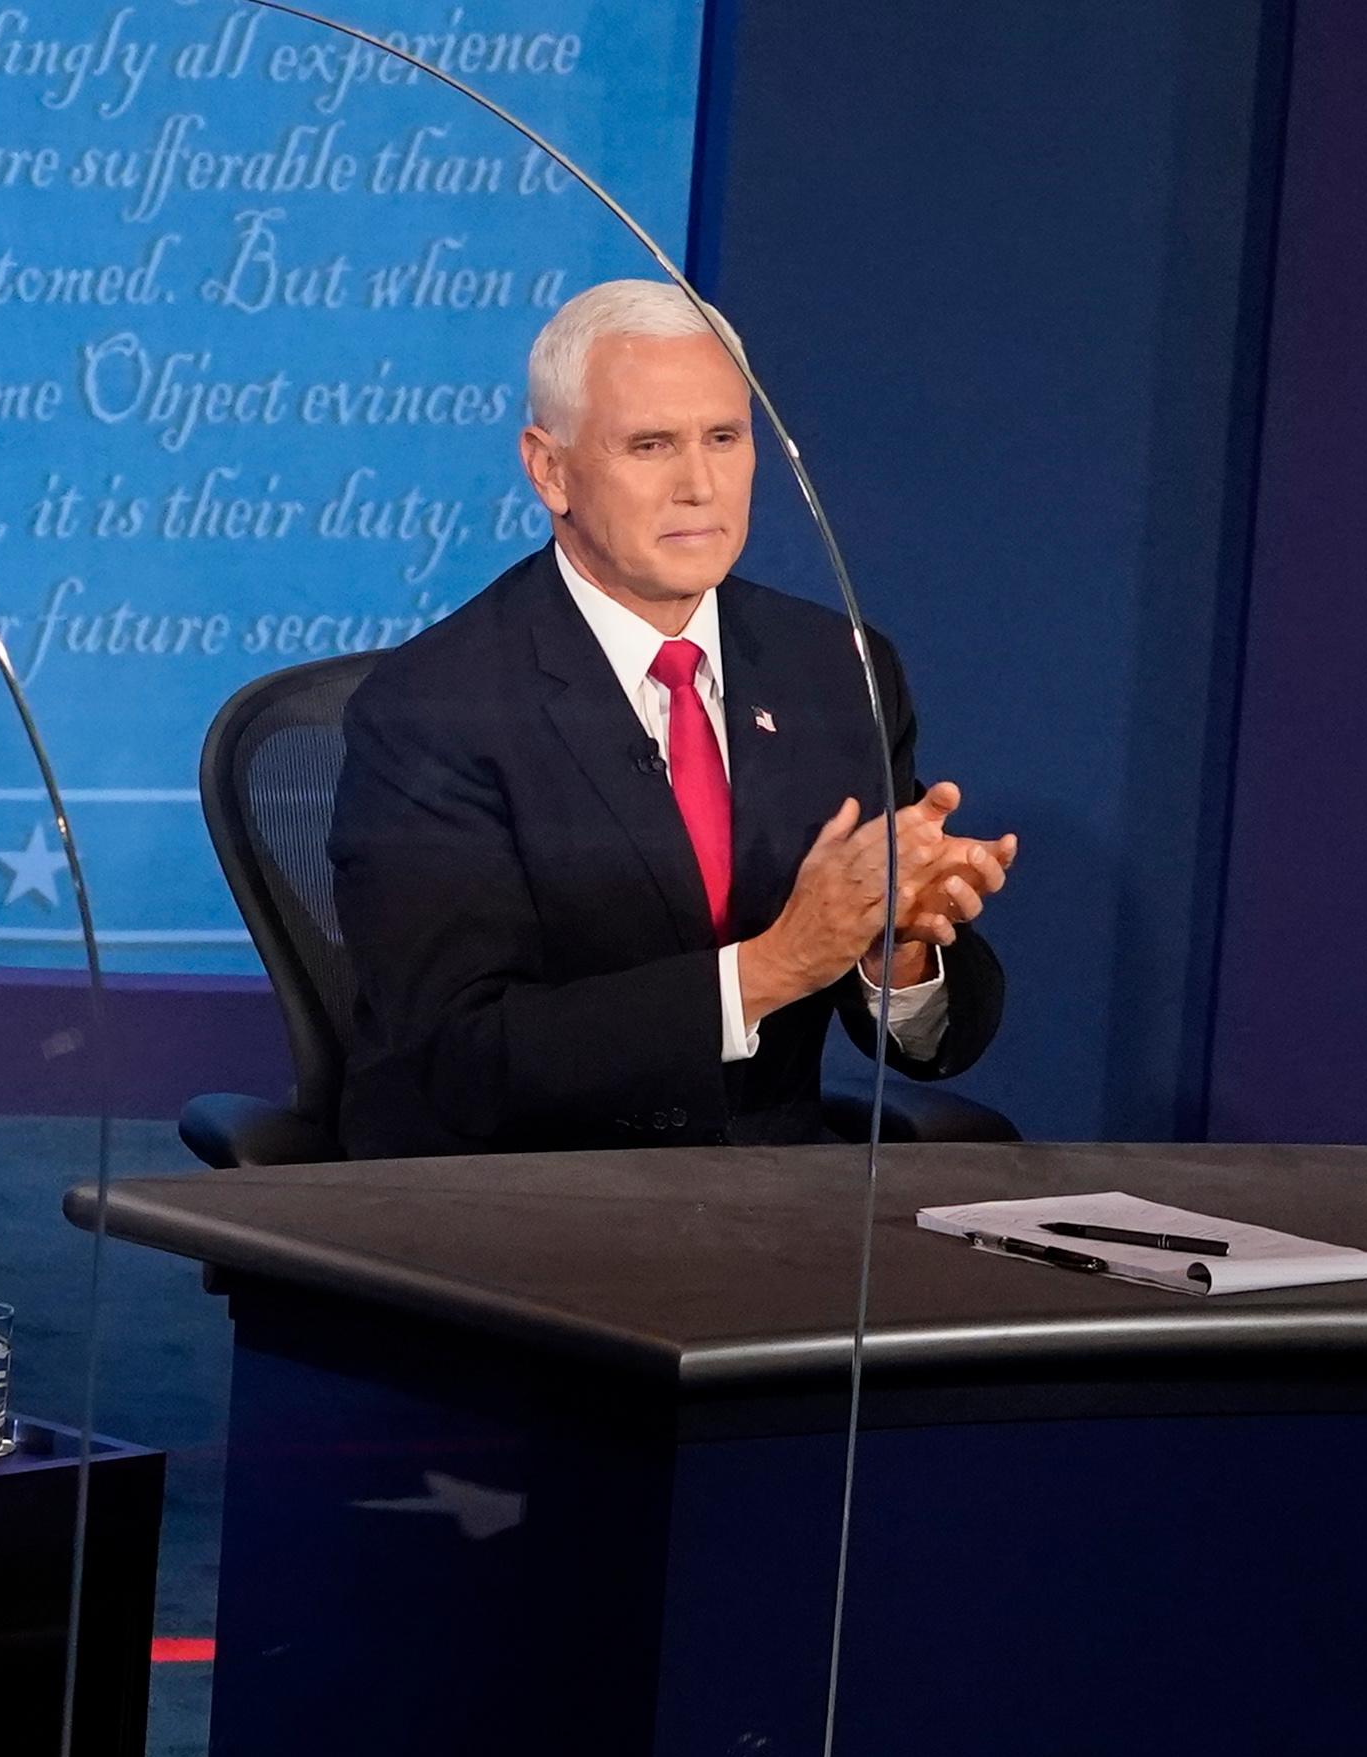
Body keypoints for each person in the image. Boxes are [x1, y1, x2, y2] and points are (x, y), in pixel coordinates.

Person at [330, 276, 1020, 1158]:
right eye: (651, 444)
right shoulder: (434, 708)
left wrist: (896, 949)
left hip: (769, 1220)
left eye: (724, 438)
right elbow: (465, 1057)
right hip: (516, 1208)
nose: (699, 485)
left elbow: (933, 1039)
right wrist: (772, 968)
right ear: (550, 469)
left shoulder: (836, 668)